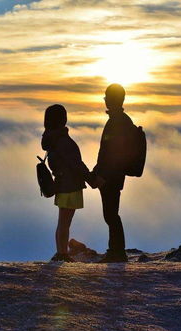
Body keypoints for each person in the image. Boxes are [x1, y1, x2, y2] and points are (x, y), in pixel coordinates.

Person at [41, 104, 90, 262]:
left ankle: (61, 252)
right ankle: (62, 254)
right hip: (70, 185)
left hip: (62, 184)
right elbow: (76, 164)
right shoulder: (62, 141)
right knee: (64, 223)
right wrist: (92, 179)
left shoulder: (52, 139)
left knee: (62, 222)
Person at [91, 84, 134, 263]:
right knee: (111, 213)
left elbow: (111, 153)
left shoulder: (117, 122)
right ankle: (116, 251)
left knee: (111, 214)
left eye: (107, 96)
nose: (105, 100)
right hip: (114, 175)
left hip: (111, 176)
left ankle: (117, 252)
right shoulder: (122, 120)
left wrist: (100, 174)